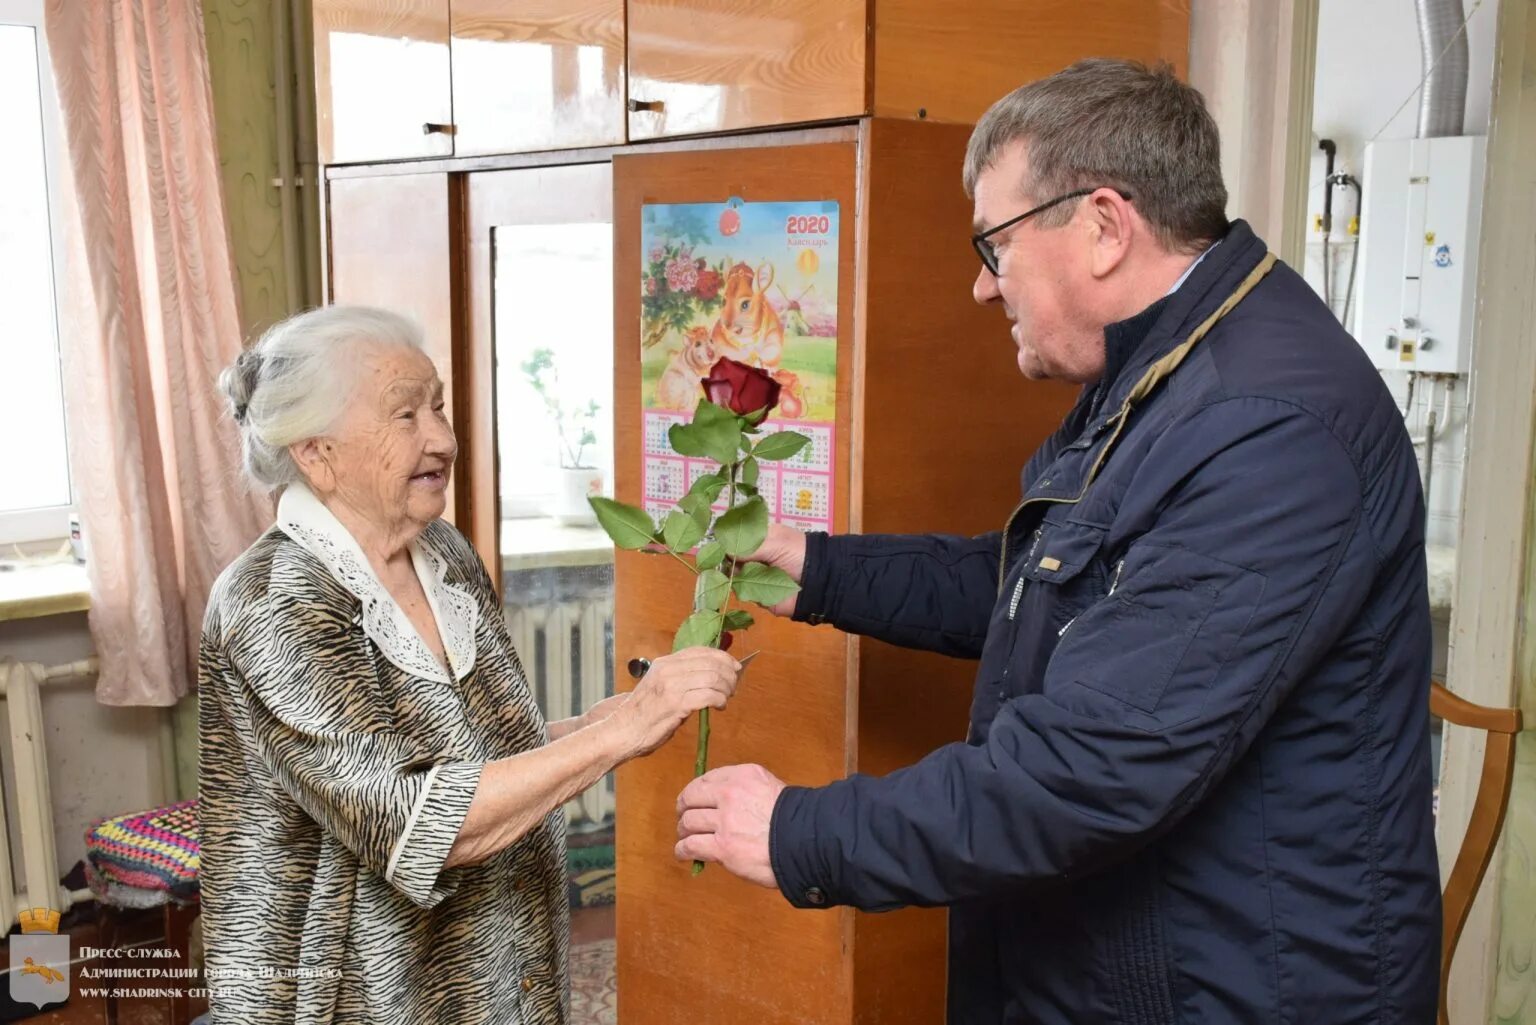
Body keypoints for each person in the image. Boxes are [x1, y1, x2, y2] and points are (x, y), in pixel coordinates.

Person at [675, 59, 1439, 1022]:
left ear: (1105, 226)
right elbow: (1046, 589)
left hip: (1236, 989)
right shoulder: (1170, 372)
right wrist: (819, 569)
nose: (982, 288)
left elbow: (1089, 767)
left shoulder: (1268, 425)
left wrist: (800, 831)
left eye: (995, 245)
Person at [200, 305, 743, 1024]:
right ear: (316, 451)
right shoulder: (275, 601)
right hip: (359, 994)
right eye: (405, 416)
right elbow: (417, 818)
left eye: (439, 407)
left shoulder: (443, 552)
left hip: (501, 965)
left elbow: (467, 760)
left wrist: (588, 724)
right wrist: (623, 731)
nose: (443, 439)